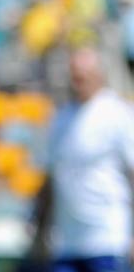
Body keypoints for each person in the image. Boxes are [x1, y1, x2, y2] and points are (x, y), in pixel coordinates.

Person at [30, 47, 134, 272]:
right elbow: (51, 177)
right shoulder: (61, 119)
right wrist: (40, 228)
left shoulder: (117, 114)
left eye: (83, 74)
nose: (78, 80)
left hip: (108, 238)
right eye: (74, 75)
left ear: (99, 74)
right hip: (67, 242)